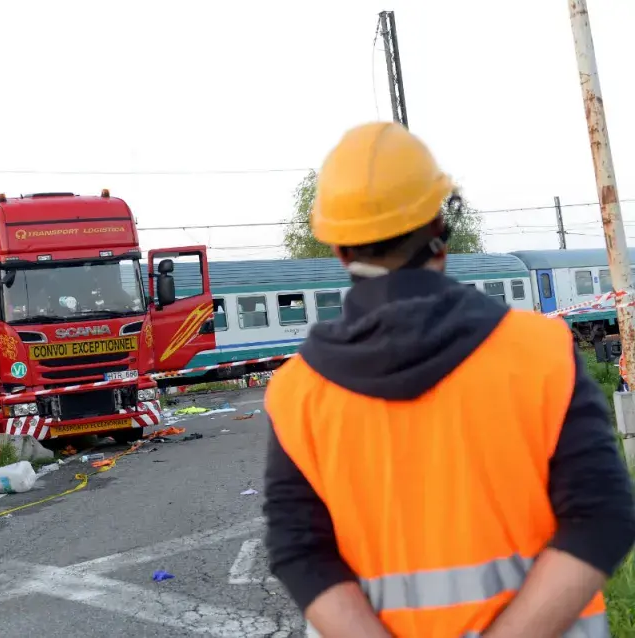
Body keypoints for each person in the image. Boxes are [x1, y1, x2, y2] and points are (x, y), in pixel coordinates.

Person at [262, 121, 635, 638]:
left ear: (340, 250)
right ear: (439, 227)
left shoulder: (297, 391)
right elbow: (602, 520)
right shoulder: (540, 352)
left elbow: (300, 550)